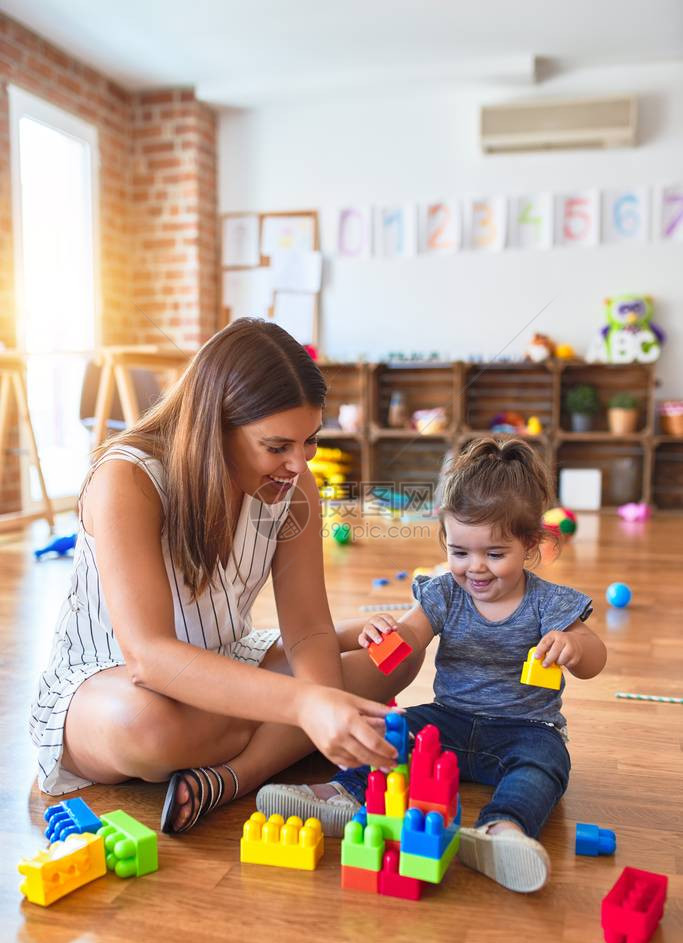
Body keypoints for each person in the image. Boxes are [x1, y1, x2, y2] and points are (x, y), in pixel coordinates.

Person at [29, 320, 424, 834]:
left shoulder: (295, 485)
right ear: (215, 426)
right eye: (277, 445)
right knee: (147, 726)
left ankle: (230, 779)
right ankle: (268, 740)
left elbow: (307, 629)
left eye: (310, 441)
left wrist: (326, 709)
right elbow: (149, 658)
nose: (298, 463)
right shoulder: (127, 478)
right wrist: (308, 705)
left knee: (397, 651)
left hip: (226, 661)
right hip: (114, 685)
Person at [258, 437, 607, 892]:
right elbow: (410, 636)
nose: (475, 568)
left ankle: (502, 831)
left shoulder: (549, 602)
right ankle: (344, 794)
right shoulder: (444, 592)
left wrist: (572, 646)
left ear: (531, 545)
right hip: (450, 719)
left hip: (526, 727)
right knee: (394, 729)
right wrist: (381, 633)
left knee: (546, 765)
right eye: (460, 552)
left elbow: (594, 659)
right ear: (445, 539)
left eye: (494, 554)